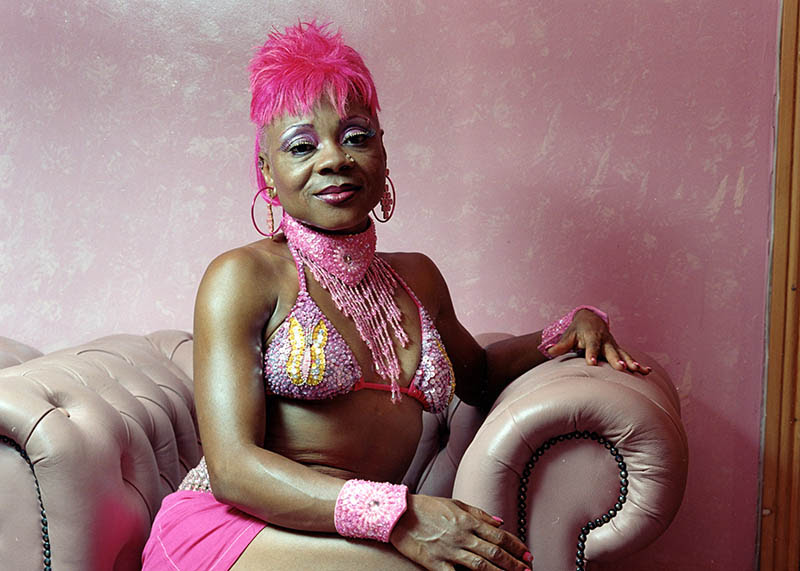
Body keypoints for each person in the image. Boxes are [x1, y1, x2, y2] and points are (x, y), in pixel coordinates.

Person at [141, 21, 650, 571]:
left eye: (357, 136)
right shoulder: (242, 276)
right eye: (301, 146)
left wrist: (567, 329)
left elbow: (477, 375)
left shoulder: (418, 279)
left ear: (383, 155)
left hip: (350, 542)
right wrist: (400, 515)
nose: (335, 158)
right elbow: (234, 469)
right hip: (234, 530)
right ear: (266, 171)